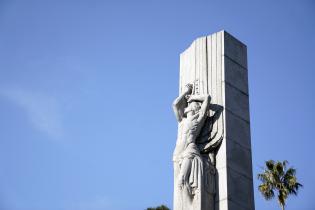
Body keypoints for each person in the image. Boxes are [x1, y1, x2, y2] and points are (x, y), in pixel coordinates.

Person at [172, 84, 211, 209]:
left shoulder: (198, 120)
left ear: (196, 108)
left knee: (181, 181)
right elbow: (175, 104)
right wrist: (185, 92)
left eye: (192, 104)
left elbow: (207, 98)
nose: (188, 106)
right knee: (178, 185)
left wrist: (194, 96)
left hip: (189, 151)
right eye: (189, 104)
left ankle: (191, 206)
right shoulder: (182, 121)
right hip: (178, 153)